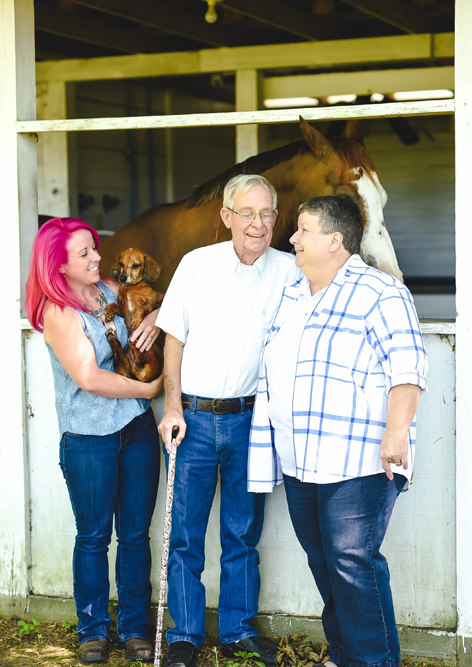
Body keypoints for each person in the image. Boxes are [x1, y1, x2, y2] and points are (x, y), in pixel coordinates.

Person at [248, 195, 427, 667]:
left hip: (359, 460)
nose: (292, 238)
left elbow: (407, 368)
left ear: (335, 239)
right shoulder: (292, 295)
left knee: (353, 565)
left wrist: (396, 431)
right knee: (325, 565)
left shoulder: (380, 293)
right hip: (301, 460)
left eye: (302, 230)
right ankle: (346, 655)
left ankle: (374, 662)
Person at [154, 174, 302, 667]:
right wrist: (172, 406)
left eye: (267, 214)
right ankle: (185, 635)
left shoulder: (291, 270)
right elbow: (172, 339)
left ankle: (237, 630)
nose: (258, 225)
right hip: (192, 419)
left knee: (242, 533)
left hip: (250, 422)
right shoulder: (196, 265)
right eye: (247, 214)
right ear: (226, 217)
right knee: (185, 534)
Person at [25, 217, 163, 664]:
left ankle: (136, 629)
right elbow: (88, 375)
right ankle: (93, 631)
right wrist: (147, 390)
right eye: (84, 253)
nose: (96, 258)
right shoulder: (56, 311)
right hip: (89, 438)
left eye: (94, 249)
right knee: (94, 537)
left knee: (136, 535)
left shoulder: (108, 290)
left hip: (137, 430)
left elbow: (155, 306)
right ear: (58, 264)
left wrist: (159, 316)